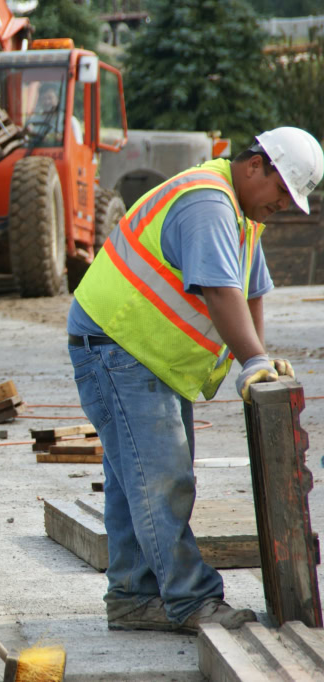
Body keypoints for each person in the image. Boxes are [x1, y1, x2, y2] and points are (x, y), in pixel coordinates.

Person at [68, 127, 323, 635]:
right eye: (281, 192)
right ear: (256, 166)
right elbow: (220, 289)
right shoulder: (208, 202)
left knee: (132, 479)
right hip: (118, 346)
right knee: (162, 479)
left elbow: (251, 289)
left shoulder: (242, 212)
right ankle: (190, 600)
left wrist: (259, 359)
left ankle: (133, 596)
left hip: (138, 352)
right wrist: (250, 359)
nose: (283, 206)